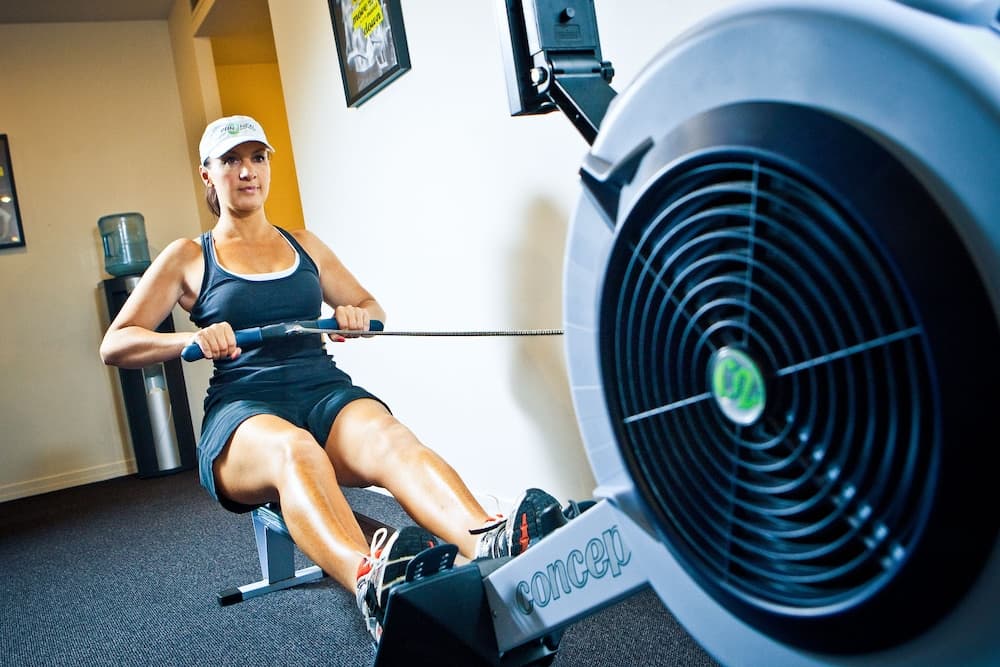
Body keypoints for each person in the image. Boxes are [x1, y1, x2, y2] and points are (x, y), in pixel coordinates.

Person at [100, 115, 559, 643]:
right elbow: (116, 344)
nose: (247, 171)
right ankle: (372, 582)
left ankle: (491, 544)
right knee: (296, 451)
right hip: (243, 409)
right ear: (207, 174)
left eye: (257, 158)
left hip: (322, 390)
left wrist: (357, 316)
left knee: (389, 437)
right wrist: (192, 340)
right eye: (231, 160)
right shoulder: (189, 255)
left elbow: (370, 305)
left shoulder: (304, 245)